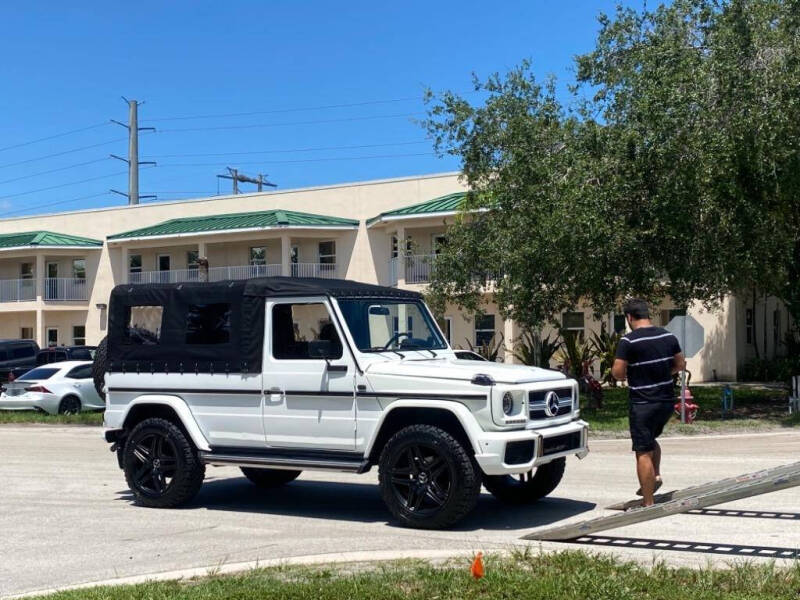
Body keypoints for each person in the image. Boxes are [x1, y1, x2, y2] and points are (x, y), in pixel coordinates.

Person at [611, 299, 686, 507]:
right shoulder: (668, 336)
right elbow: (680, 364)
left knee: (643, 451)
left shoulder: (628, 341)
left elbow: (617, 372)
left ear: (629, 317)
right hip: (666, 401)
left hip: (643, 403)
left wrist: (627, 374)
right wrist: (664, 373)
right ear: (647, 314)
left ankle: (648, 503)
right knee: (650, 439)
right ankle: (657, 475)